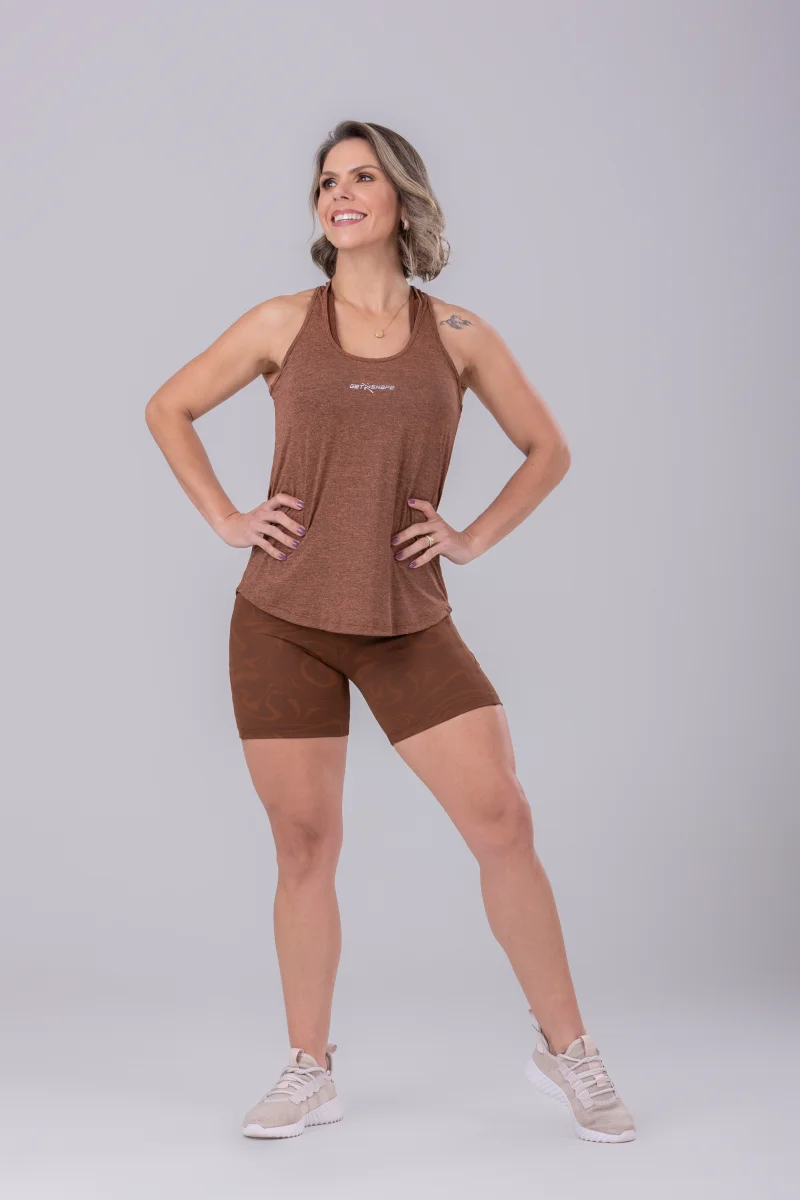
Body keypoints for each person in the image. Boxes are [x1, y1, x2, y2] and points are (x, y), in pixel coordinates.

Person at [144, 119, 636, 1144]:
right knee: (303, 845)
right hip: (281, 621)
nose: (340, 192)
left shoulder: (457, 334)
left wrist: (471, 537)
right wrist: (227, 517)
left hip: (404, 620)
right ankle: (308, 1068)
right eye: (327, 180)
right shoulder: (282, 321)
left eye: (361, 176)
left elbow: (547, 449)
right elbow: (168, 407)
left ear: (401, 199)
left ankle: (569, 1051)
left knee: (502, 819)